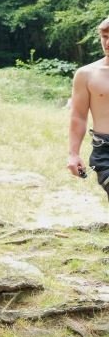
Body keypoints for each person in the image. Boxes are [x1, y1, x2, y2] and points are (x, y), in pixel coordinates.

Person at [67, 16, 109, 201]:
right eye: (105, 36)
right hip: (105, 151)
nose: (107, 42)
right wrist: (73, 154)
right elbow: (78, 117)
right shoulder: (87, 74)